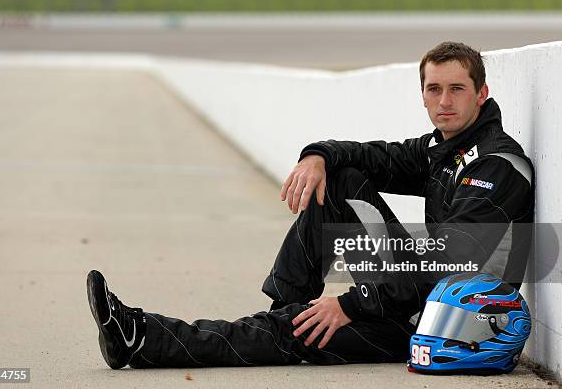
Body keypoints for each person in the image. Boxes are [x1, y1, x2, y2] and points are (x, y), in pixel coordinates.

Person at [86, 41, 535, 369]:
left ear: (481, 94)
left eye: (456, 89)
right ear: (422, 95)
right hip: (421, 300)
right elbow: (366, 156)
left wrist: (352, 304)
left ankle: (143, 336)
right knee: (338, 179)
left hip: (451, 327)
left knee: (296, 334)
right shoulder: (443, 149)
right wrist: (316, 155)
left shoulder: (496, 164)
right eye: (434, 89)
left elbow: (445, 262)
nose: (444, 101)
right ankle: (284, 306)